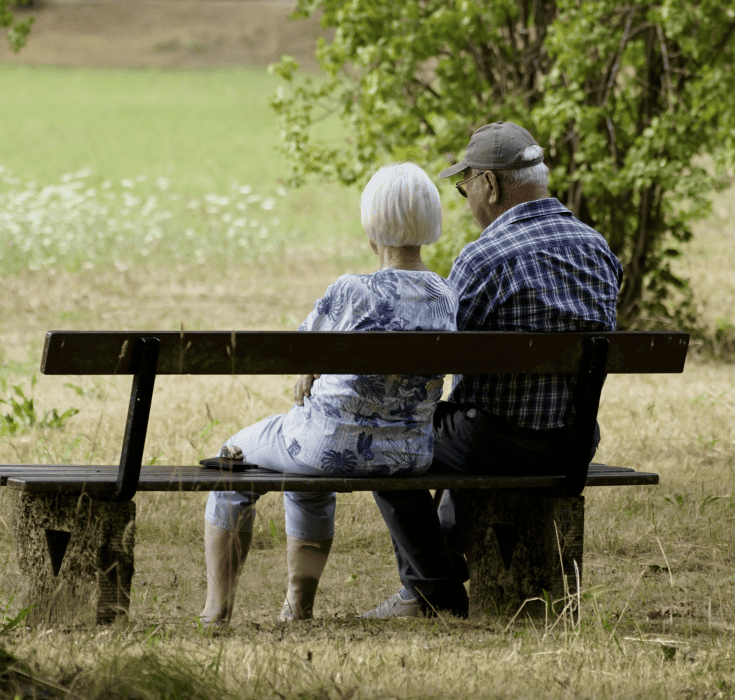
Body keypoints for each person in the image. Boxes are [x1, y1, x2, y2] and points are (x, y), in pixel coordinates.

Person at [361, 122, 623, 619]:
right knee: (466, 420)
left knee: (386, 438)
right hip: (573, 442)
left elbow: (437, 358)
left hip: (495, 443)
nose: (467, 201)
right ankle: (448, 550)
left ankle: (431, 590)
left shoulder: (483, 258)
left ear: (490, 184)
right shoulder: (598, 249)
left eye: (465, 189)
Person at [200, 162, 458, 625]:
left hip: (327, 447)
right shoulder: (446, 295)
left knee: (231, 459)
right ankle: (297, 607)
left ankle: (216, 610)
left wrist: (310, 369)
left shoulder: (351, 291)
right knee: (304, 476)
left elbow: (298, 351)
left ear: (371, 224)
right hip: (407, 454)